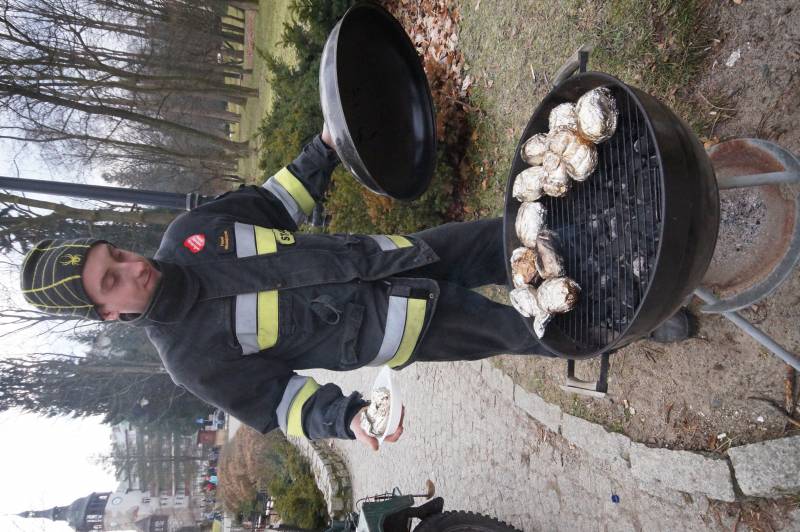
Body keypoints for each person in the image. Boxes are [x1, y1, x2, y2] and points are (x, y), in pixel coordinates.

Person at [19, 126, 685, 450]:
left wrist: (327, 145)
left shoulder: (192, 232)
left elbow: (277, 201)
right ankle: (635, 319)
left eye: (117, 254)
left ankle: (617, 238)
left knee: (510, 237)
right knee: (525, 328)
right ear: (107, 313)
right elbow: (281, 403)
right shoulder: (189, 360)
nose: (133, 267)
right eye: (113, 280)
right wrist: (347, 418)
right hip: (404, 326)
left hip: (396, 255)